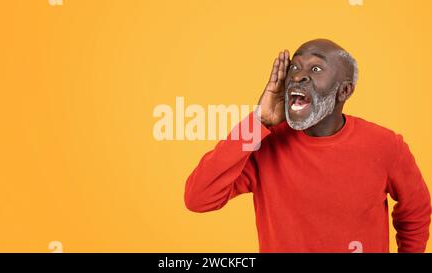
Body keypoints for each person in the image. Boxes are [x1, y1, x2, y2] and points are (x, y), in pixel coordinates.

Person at [184, 39, 431, 252]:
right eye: (295, 67)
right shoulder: (264, 145)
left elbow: (416, 211)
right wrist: (258, 121)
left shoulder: (386, 145)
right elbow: (198, 198)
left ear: (344, 91)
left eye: (315, 68)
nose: (298, 76)